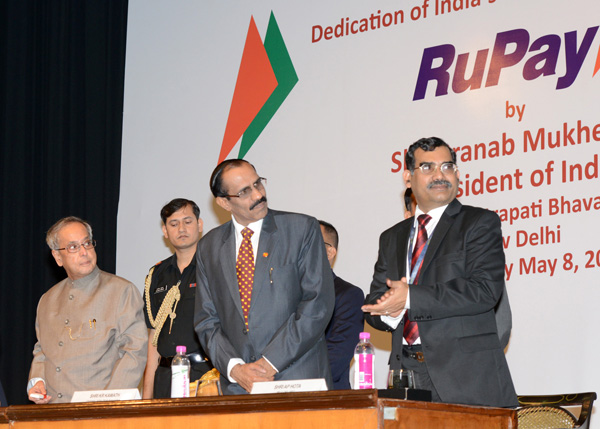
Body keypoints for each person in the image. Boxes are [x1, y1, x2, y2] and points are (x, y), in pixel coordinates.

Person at [362, 137, 517, 407]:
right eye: (427, 168)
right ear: (408, 178)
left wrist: (409, 298)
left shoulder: (479, 222)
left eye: (447, 167)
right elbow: (376, 302)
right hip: (406, 376)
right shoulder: (391, 237)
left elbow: (484, 291)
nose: (439, 175)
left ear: (457, 174)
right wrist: (390, 309)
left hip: (466, 377)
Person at [194, 159, 334, 395]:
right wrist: (236, 369)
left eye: (258, 183)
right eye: (244, 191)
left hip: (297, 378)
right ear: (224, 203)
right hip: (239, 387)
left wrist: (268, 363)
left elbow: (317, 303)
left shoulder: (301, 229)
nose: (258, 194)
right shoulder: (209, 246)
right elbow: (206, 320)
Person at [28, 217, 147, 404]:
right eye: (73, 247)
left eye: (87, 243)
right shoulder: (47, 300)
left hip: (98, 413)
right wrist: (37, 381)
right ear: (58, 257)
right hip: (52, 412)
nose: (84, 252)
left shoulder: (121, 291)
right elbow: (42, 349)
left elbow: (134, 351)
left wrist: (108, 403)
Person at [404, 188, 513, 349]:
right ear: (408, 216)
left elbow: (500, 320)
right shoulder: (399, 251)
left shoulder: (469, 242)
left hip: (464, 362)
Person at [142, 199, 214, 399]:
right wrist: (147, 396)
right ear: (165, 231)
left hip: (205, 375)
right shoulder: (157, 274)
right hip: (165, 376)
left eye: (188, 222)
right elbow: (153, 338)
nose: (181, 228)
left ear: (199, 225)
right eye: (174, 224)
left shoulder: (214, 267)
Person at [319, 220, 364, 390]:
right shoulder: (285, 295)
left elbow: (336, 359)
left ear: (330, 252)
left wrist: (287, 382)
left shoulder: (348, 294)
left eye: (310, 243)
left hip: (329, 399)